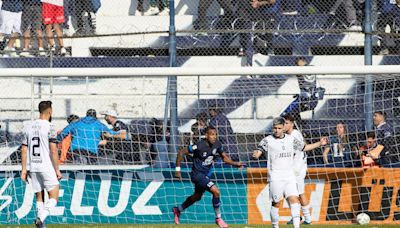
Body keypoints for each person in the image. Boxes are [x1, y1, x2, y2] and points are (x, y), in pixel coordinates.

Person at [252, 117, 327, 228]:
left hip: (289, 176)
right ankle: (275, 226)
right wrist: (256, 154)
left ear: (283, 128)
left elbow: (304, 147)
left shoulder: (291, 139)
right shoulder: (267, 140)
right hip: (275, 177)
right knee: (276, 203)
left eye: (279, 128)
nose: (276, 130)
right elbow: (259, 151)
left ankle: (297, 226)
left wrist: (319, 143)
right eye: (275, 128)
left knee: (294, 200)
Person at [173, 126, 243, 228]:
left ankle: (178, 209)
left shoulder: (218, 144)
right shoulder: (199, 145)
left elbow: (225, 158)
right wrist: (177, 170)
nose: (214, 137)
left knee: (197, 196)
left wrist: (235, 164)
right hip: (197, 175)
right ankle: (218, 218)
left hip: (205, 175)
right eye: (212, 134)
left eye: (215, 134)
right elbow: (181, 152)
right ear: (206, 135)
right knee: (216, 191)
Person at [20, 101, 62, 228]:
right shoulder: (50, 126)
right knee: (54, 197)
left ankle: (40, 226)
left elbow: (23, 149)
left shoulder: (27, 126)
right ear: (50, 111)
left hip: (33, 167)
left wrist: (23, 170)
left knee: (39, 197)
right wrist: (57, 170)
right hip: (46, 166)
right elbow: (53, 150)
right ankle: (41, 217)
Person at [56, 109, 126, 164]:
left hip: (77, 150)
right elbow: (110, 132)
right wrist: (124, 135)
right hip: (92, 151)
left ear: (86, 115)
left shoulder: (77, 123)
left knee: (79, 170)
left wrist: (56, 140)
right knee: (90, 170)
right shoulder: (98, 124)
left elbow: (63, 133)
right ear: (95, 117)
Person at [282, 114, 312, 225]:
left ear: (292, 124)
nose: (284, 125)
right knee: (287, 193)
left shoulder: (294, 135)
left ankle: (308, 219)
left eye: (286, 123)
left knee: (300, 193)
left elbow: (301, 149)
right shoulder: (292, 135)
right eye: (283, 123)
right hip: (293, 168)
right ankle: (297, 216)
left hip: (297, 169)